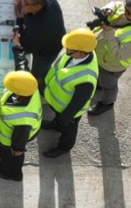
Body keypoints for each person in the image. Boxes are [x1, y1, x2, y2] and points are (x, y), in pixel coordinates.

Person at [89, 0, 131, 116]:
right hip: (100, 55)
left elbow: (116, 56)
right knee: (99, 76)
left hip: (112, 66)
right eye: (125, 9)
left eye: (128, 13)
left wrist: (109, 33)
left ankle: (107, 103)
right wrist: (109, 8)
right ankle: (99, 85)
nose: (124, 13)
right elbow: (117, 4)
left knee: (109, 86)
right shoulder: (128, 10)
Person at [41, 28, 98, 158]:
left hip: (68, 111)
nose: (66, 51)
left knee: (69, 129)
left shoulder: (86, 79)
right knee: (59, 120)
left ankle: (63, 147)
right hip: (58, 103)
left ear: (82, 53)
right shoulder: (77, 53)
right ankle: (56, 125)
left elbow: (77, 103)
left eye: (70, 49)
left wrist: (66, 117)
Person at [0, 71, 42, 181]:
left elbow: (20, 138)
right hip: (5, 135)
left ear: (19, 93)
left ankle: (12, 174)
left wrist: (17, 150)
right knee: (4, 151)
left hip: (11, 141)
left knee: (13, 158)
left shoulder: (24, 118)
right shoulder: (30, 88)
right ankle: (2, 153)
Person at [12, 0, 66, 85]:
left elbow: (25, 47)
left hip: (48, 50)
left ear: (37, 6)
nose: (21, 4)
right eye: (23, 0)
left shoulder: (39, 27)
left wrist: (20, 19)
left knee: (38, 73)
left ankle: (40, 87)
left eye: (25, 3)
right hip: (52, 35)